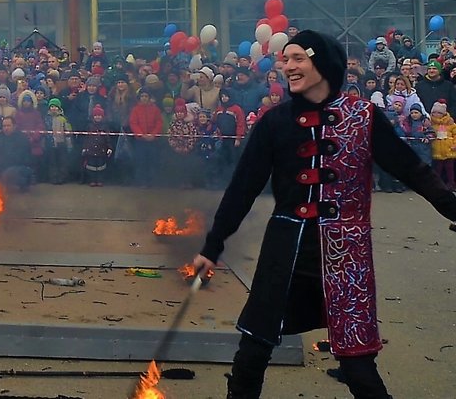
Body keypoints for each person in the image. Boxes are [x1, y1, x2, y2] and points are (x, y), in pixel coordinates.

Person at [192, 30, 456, 399]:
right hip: (286, 250)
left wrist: (450, 205)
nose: (288, 66)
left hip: (345, 255)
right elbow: (242, 188)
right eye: (286, 59)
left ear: (323, 63)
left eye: (298, 58)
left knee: (358, 365)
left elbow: (410, 167)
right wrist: (212, 245)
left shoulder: (363, 116)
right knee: (253, 350)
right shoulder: (274, 121)